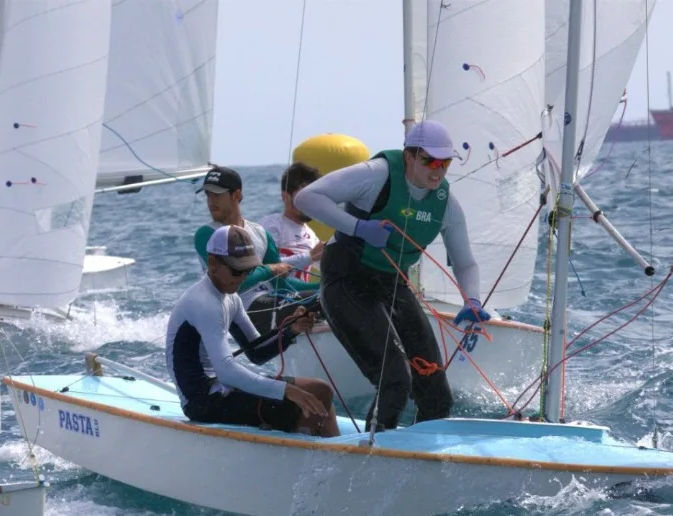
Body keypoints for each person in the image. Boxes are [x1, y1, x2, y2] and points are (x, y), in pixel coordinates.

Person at [293, 119, 489, 431]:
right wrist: (359, 228)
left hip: (391, 284)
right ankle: (373, 451)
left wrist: (473, 301)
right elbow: (305, 198)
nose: (437, 170)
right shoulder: (376, 175)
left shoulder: (446, 204)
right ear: (409, 156)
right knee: (395, 380)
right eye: (429, 161)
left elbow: (465, 263)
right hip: (347, 279)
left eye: (445, 162)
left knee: (437, 394)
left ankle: (422, 462)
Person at [167, 224, 339, 437]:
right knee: (298, 401)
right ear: (212, 264)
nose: (242, 278)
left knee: (321, 390)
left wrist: (291, 330)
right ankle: (310, 458)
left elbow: (256, 352)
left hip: (223, 387)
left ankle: (339, 454)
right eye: (237, 271)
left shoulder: (231, 297)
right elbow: (226, 370)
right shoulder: (205, 303)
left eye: (248, 270)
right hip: (203, 400)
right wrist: (287, 391)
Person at [191, 165, 296, 333]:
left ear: (237, 195)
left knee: (318, 301)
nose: (211, 201)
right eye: (208, 194)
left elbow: (281, 285)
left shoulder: (261, 233)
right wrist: (270, 269)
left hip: (269, 301)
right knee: (301, 308)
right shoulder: (206, 235)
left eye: (217, 194)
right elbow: (230, 284)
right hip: (236, 311)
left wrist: (320, 287)